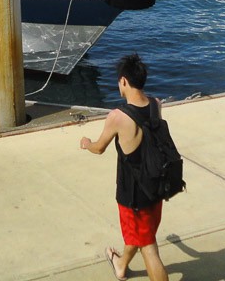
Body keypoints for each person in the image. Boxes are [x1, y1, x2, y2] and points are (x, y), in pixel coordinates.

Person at [79, 54, 169, 281]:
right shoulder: (156, 105)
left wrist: (87, 144)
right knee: (141, 234)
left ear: (124, 81)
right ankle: (120, 265)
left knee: (148, 246)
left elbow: (100, 148)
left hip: (133, 194)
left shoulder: (118, 117)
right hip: (155, 186)